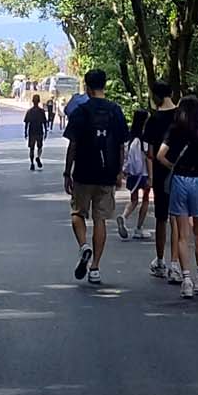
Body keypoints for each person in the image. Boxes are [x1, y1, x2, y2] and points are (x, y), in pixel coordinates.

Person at [62, 66, 129, 286]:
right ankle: (95, 269)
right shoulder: (115, 111)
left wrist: (67, 172)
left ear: (88, 87)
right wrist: (119, 171)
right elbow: (121, 145)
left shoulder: (80, 111)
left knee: (77, 213)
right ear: (104, 85)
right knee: (100, 220)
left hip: (83, 172)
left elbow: (73, 145)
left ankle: (83, 246)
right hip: (107, 174)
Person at [156, 92, 198, 299]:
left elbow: (160, 155)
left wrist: (173, 166)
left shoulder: (174, 131)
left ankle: (186, 280)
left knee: (182, 234)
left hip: (179, 180)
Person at [140, 81, 177, 276]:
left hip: (162, 175)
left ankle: (161, 260)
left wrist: (151, 178)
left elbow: (150, 153)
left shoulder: (153, 120)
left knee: (161, 218)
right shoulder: (183, 116)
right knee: (178, 219)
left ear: (156, 96)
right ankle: (177, 264)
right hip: (183, 172)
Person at [118, 109, 151, 241]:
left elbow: (126, 156)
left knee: (134, 200)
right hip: (143, 173)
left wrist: (124, 171)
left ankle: (124, 216)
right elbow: (149, 157)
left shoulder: (131, 139)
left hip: (132, 174)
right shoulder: (144, 139)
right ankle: (139, 228)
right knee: (146, 199)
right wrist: (150, 176)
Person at [23, 92, 48, 169]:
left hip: (32, 131)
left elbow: (26, 123)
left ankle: (32, 163)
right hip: (39, 131)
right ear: (39, 101)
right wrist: (46, 131)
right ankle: (38, 157)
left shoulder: (29, 111)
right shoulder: (42, 111)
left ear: (32, 101)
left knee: (31, 148)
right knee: (40, 147)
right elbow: (44, 122)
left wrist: (26, 132)